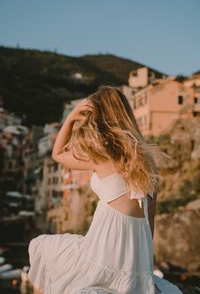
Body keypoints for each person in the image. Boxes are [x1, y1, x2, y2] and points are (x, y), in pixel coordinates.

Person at [28, 86, 182, 294]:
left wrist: (72, 117)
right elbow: (150, 216)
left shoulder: (101, 155)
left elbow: (57, 154)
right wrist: (141, 265)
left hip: (101, 249)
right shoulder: (146, 161)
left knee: (41, 246)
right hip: (134, 256)